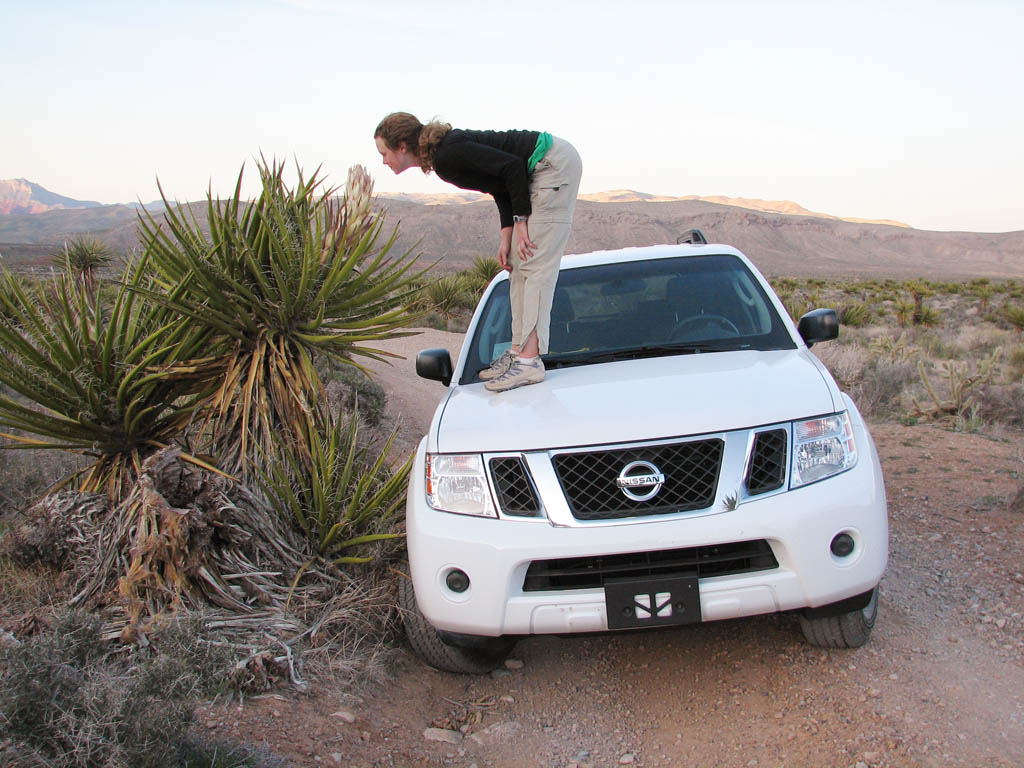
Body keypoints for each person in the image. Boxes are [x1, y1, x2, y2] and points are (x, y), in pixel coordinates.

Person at [374, 112, 582, 392]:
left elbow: (511, 167)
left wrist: (521, 221)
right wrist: (506, 234)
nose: (383, 161)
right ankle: (519, 351)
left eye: (384, 152)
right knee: (518, 266)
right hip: (538, 168)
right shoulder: (442, 159)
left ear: (401, 145)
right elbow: (499, 182)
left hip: (552, 165)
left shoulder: (448, 155)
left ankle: (529, 363)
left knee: (534, 263)